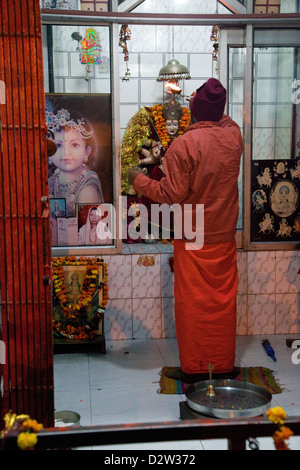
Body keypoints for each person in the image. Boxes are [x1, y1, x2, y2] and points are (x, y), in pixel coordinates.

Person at [128, 78, 243, 383]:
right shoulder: (234, 136)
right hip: (223, 235)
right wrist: (209, 111)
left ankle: (195, 367)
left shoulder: (185, 145)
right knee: (222, 303)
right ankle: (221, 365)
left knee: (193, 304)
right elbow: (221, 118)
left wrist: (138, 179)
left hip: (194, 238)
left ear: (193, 110)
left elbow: (170, 194)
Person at [46, 104, 104, 217]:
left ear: (87, 151)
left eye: (75, 145)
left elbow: (85, 225)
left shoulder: (88, 186)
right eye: (58, 145)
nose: (66, 153)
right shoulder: (53, 180)